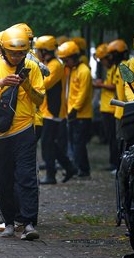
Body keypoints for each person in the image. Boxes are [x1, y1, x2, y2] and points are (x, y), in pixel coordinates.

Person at [0, 26, 45, 240]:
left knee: (27, 177)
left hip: (24, 129)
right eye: (12, 52)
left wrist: (27, 85)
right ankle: (9, 222)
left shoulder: (32, 67)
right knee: (3, 179)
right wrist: (2, 83)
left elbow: (40, 100)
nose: (17, 56)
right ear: (2, 50)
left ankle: (29, 222)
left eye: (21, 52)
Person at [34, 35, 77, 184]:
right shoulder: (47, 63)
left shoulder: (55, 65)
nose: (36, 52)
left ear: (44, 51)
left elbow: (44, 84)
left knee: (47, 143)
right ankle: (68, 166)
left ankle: (51, 175)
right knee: (50, 143)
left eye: (38, 50)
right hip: (46, 110)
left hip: (53, 111)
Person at [58, 41, 93, 179]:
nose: (65, 62)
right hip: (72, 113)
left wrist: (74, 110)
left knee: (79, 144)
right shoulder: (71, 70)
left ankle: (83, 170)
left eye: (66, 59)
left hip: (81, 115)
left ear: (74, 57)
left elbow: (82, 94)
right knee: (74, 142)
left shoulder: (84, 71)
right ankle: (78, 167)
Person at [92, 43, 119, 172]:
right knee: (110, 137)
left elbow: (114, 86)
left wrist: (101, 85)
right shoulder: (111, 69)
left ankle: (115, 163)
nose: (102, 63)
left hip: (111, 109)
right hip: (107, 108)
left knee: (113, 137)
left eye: (102, 59)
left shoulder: (116, 68)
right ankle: (112, 162)